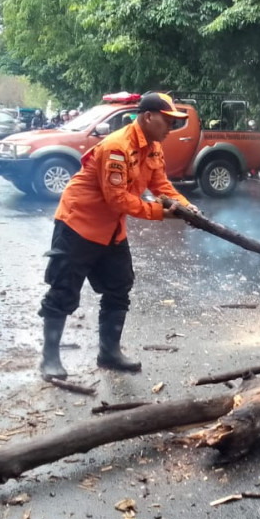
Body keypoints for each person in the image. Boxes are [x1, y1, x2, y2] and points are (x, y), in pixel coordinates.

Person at [37, 91, 198, 379]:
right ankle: (49, 360)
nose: (171, 128)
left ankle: (109, 353)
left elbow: (161, 185)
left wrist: (186, 206)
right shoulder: (117, 147)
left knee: (119, 286)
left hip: (111, 230)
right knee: (63, 291)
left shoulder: (153, 146)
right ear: (148, 117)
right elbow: (118, 200)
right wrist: (163, 213)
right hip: (78, 225)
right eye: (168, 121)